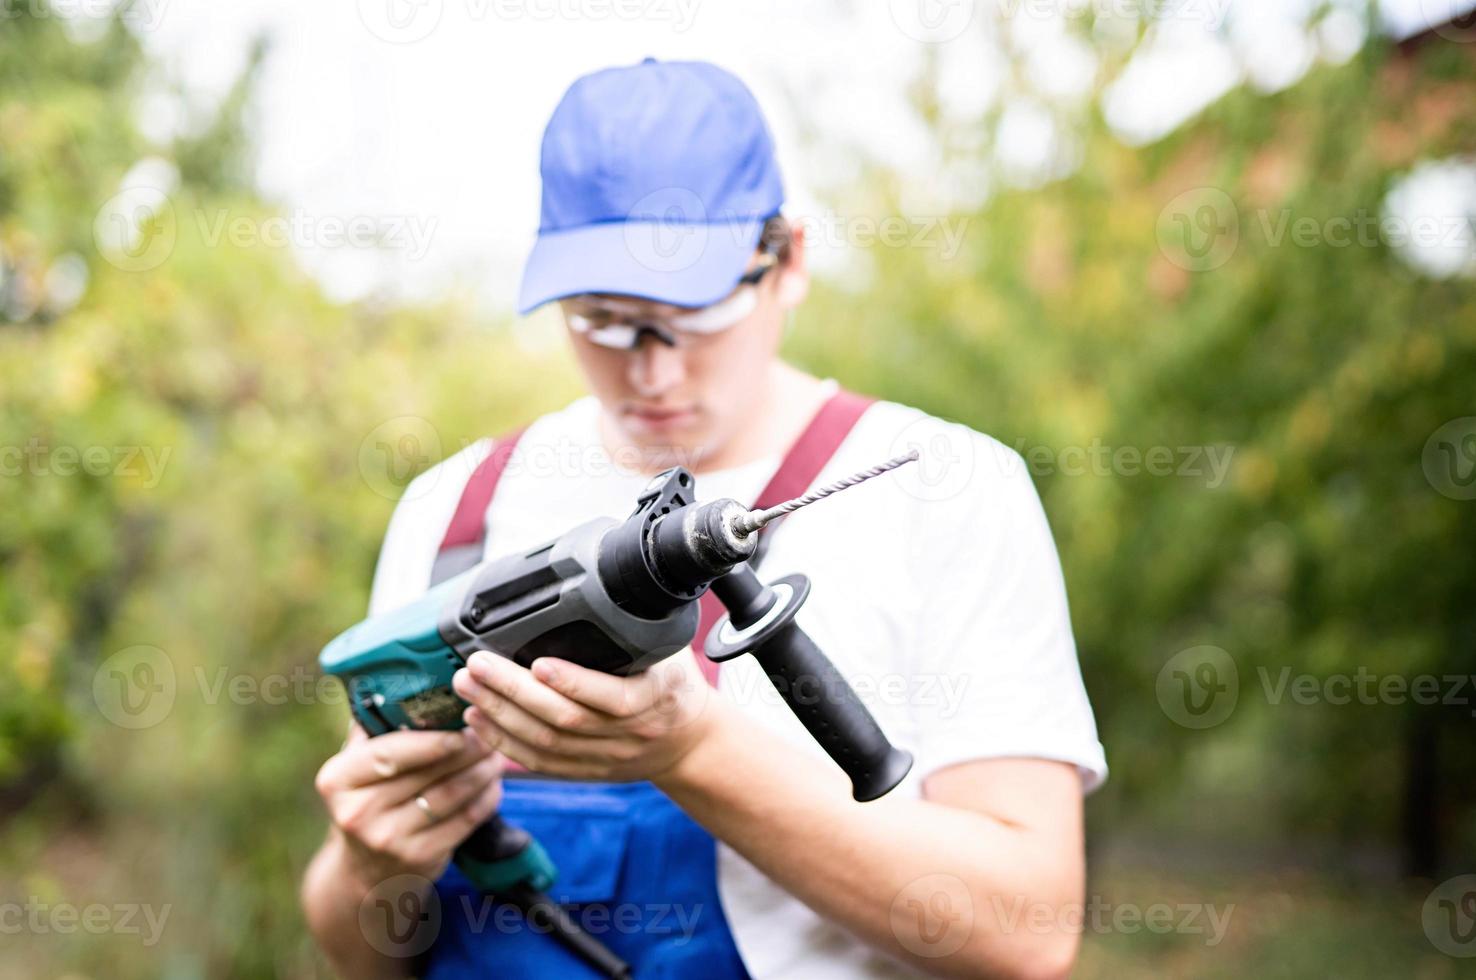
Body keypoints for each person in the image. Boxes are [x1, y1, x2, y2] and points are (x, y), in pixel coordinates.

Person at [301, 57, 1106, 980]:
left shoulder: (943, 490)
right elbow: (359, 952)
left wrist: (695, 752)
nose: (653, 371)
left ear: (789, 261)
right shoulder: (454, 509)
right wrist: (369, 865)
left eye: (697, 309)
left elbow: (1031, 934)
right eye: (602, 320)